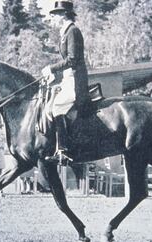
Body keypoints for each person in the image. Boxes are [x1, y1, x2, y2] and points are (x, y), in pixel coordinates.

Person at [41, 0, 90, 163]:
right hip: (69, 77)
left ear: (63, 15)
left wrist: (52, 69)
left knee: (57, 107)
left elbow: (72, 59)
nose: (53, 18)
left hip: (76, 79)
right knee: (49, 106)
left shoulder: (73, 31)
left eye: (55, 15)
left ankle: (63, 150)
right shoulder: (66, 33)